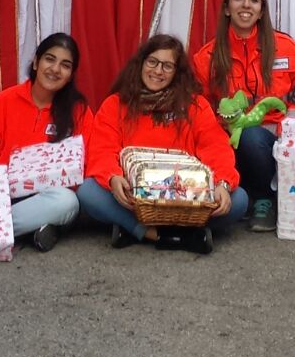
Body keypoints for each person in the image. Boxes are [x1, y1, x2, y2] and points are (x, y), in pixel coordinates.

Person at [77, 35, 247, 253]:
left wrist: (222, 183)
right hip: (135, 197)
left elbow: (215, 147)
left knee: (239, 199)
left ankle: (135, 230)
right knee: (89, 191)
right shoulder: (115, 104)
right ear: (141, 63)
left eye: (167, 66)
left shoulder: (196, 106)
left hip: (187, 198)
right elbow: (102, 148)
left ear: (177, 72)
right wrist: (112, 177)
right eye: (152, 62)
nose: (158, 71)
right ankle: (160, 233)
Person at [191, 0, 295, 232]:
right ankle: (249, 194)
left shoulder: (287, 48)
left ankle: (264, 197)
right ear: (226, 8)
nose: (246, 5)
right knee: (242, 138)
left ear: (262, 11)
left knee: (252, 136)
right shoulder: (206, 57)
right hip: (229, 139)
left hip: (280, 135)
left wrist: (293, 130)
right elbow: (199, 108)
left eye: (254, 0)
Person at [0, 32, 90, 251]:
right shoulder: (5, 101)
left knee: (67, 202)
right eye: (49, 59)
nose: (55, 69)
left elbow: (84, 163)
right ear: (36, 62)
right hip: (2, 195)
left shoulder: (79, 111)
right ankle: (34, 229)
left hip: (48, 197)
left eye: (65, 65)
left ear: (71, 74)